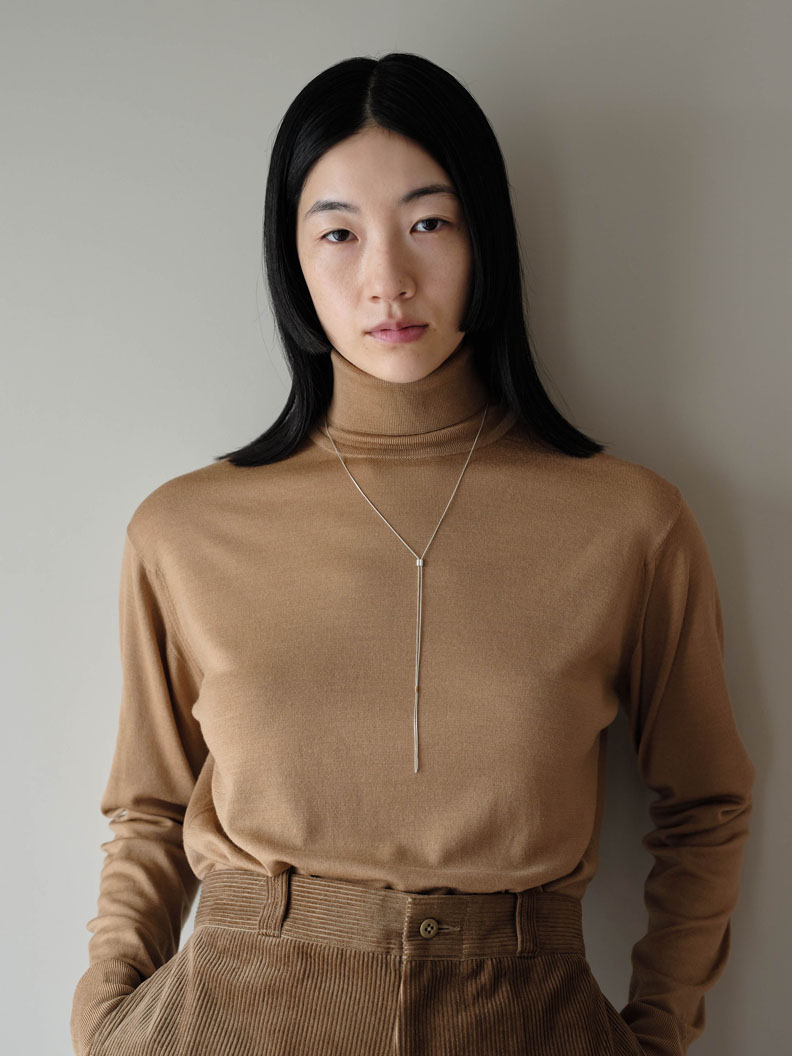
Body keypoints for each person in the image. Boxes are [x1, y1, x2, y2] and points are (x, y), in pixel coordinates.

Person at [70, 52, 755, 1056]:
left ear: (486, 239)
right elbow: (148, 810)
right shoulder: (184, 530)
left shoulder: (630, 524)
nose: (386, 279)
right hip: (229, 1018)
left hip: (522, 1015)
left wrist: (655, 1036)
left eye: (429, 223)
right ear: (292, 261)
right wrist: (104, 1019)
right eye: (338, 233)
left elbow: (705, 804)